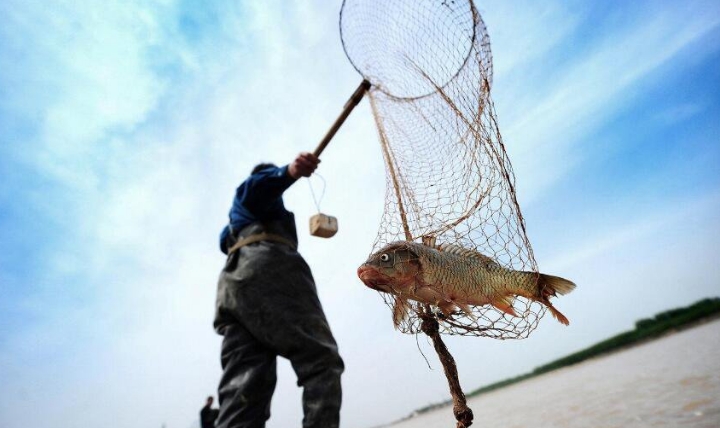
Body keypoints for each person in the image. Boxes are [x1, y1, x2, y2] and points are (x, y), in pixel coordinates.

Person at [214, 152, 344, 428]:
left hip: (232, 289)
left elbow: (223, 241)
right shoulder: (252, 192)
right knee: (320, 360)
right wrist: (288, 172)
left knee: (244, 387)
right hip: (269, 271)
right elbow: (257, 187)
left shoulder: (234, 226)